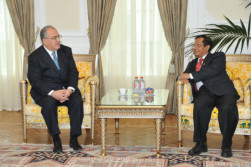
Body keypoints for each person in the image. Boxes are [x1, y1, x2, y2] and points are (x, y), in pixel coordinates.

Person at [179, 35, 239, 158]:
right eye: (194, 45)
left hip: (224, 91)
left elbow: (211, 71)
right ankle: (201, 144)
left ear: (207, 47)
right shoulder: (192, 63)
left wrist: (189, 76)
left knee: (227, 108)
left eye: (198, 45)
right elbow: (183, 75)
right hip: (206, 92)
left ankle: (226, 145)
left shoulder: (218, 56)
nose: (195, 48)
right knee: (200, 105)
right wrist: (182, 78)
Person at [28, 25, 84, 153]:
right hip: (46, 92)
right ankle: (56, 139)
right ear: (45, 40)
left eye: (58, 36)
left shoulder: (66, 51)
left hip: (65, 89)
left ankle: (74, 138)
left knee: (77, 101)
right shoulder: (34, 57)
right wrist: (53, 93)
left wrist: (70, 90)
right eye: (54, 38)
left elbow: (73, 72)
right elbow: (35, 80)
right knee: (48, 105)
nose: (58, 40)